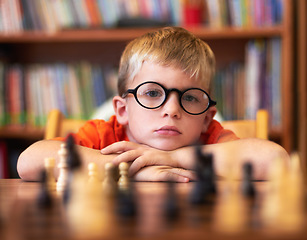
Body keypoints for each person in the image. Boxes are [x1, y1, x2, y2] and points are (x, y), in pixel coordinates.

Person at [17, 27, 289, 182]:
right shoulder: (104, 134)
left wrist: (174, 158)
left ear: (207, 117)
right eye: (152, 93)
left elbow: (277, 160)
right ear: (122, 110)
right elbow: (28, 162)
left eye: (190, 97)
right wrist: (136, 170)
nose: (171, 109)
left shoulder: (209, 138)